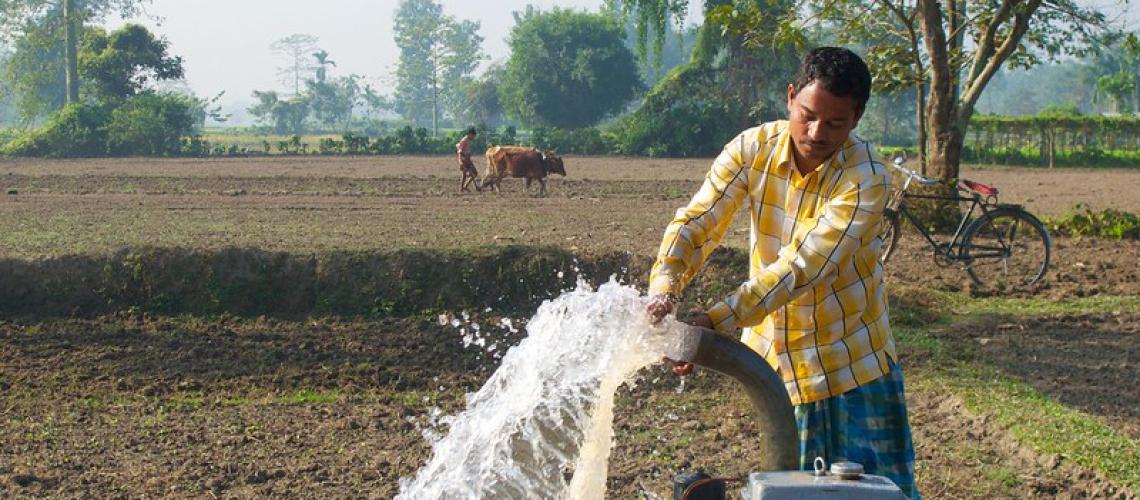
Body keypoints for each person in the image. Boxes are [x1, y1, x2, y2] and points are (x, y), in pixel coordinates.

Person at [646, 47, 919, 499]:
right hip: (777, 369)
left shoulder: (866, 178)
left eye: (835, 123)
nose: (815, 133)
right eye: (807, 115)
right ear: (791, 97)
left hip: (850, 364)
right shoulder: (751, 149)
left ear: (857, 117)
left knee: (876, 492)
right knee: (787, 489)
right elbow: (697, 223)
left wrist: (714, 320)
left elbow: (801, 268)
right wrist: (664, 290)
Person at [456, 127, 480, 192]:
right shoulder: (464, 141)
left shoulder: (468, 140)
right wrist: (460, 162)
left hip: (468, 160)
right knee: (468, 175)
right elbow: (459, 152)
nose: (473, 137)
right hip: (464, 161)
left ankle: (464, 187)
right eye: (473, 136)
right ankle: (463, 188)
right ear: (470, 134)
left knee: (474, 174)